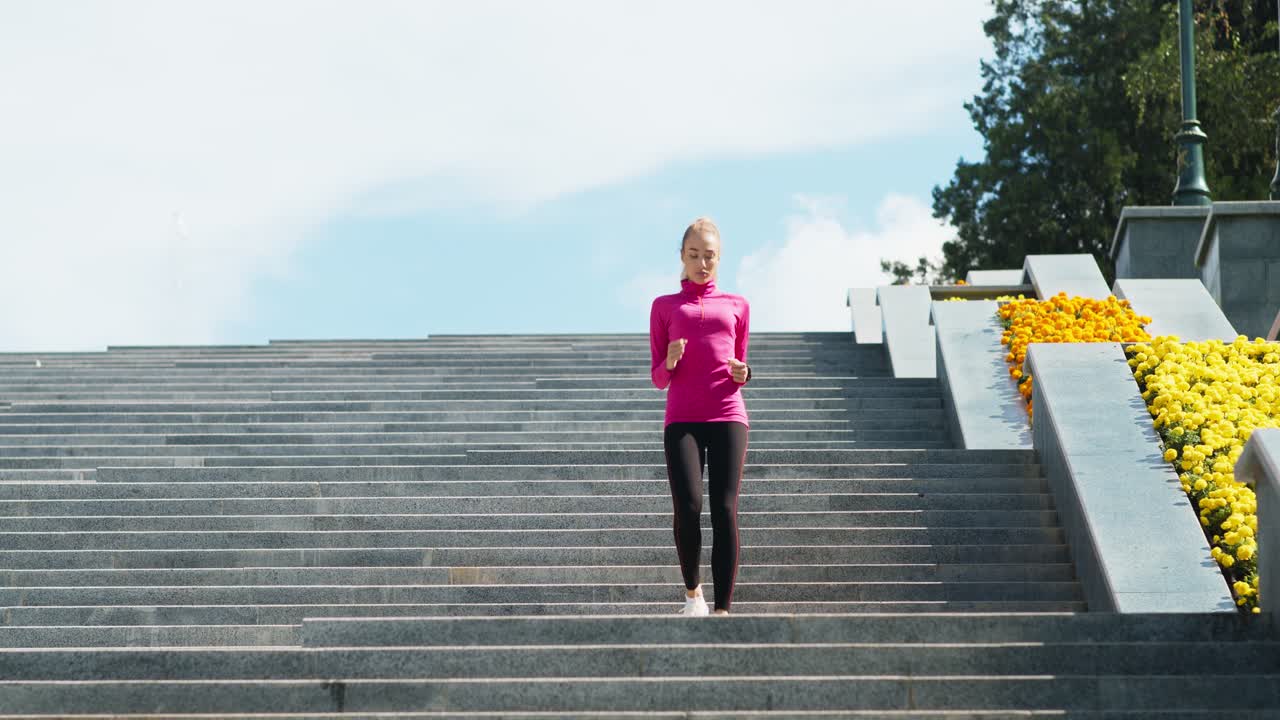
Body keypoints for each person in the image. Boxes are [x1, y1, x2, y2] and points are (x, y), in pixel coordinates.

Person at [648, 217, 751, 616]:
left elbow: (740, 363)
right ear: (682, 257)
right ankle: (694, 594)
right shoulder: (664, 307)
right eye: (694, 255)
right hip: (683, 420)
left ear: (719, 258)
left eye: (709, 256)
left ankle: (723, 609)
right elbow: (658, 377)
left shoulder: (738, 305)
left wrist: (744, 372)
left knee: (725, 509)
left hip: (727, 414)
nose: (702, 263)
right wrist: (671, 361)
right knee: (688, 506)